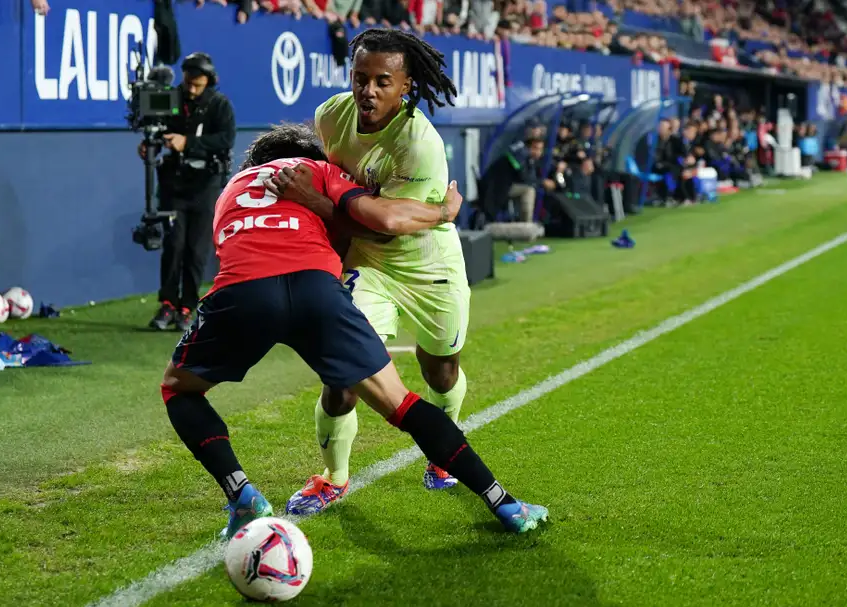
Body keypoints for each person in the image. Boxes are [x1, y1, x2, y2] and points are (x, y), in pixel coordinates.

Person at [161, 124, 548, 538]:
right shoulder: (322, 172)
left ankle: (242, 495)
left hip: (244, 292)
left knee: (179, 388)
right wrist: (441, 212)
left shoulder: (231, 187)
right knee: (402, 403)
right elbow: (371, 226)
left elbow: (229, 245)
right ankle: (504, 503)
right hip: (317, 290)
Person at [272, 28, 474, 516]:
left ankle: (441, 455)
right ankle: (333, 477)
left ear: (406, 85)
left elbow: (389, 227)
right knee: (343, 375)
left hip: (426, 262)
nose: (368, 90)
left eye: (383, 80)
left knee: (440, 370)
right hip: (367, 263)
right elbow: (346, 206)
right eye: (360, 78)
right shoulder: (331, 116)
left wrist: (318, 203)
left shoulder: (418, 143)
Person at [146, 53, 236, 331]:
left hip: (205, 187)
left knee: (196, 250)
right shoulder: (172, 99)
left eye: (197, 85)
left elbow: (225, 139)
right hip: (174, 184)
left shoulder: (220, 105)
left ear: (209, 81)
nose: (192, 89)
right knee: (173, 247)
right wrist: (150, 147)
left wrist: (189, 143)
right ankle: (167, 305)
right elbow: (157, 130)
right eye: (188, 83)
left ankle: (187, 307)